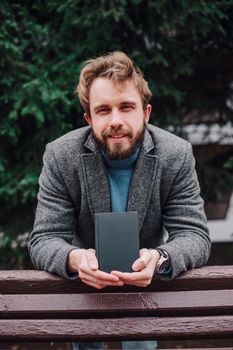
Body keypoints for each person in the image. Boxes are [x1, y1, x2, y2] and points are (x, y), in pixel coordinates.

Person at [29, 51, 211, 349]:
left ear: (146, 112)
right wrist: (75, 259)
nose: (116, 120)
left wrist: (160, 258)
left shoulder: (175, 155)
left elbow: (194, 235)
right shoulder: (62, 156)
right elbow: (45, 239)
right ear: (89, 118)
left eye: (126, 107)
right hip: (84, 294)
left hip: (144, 293)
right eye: (103, 110)